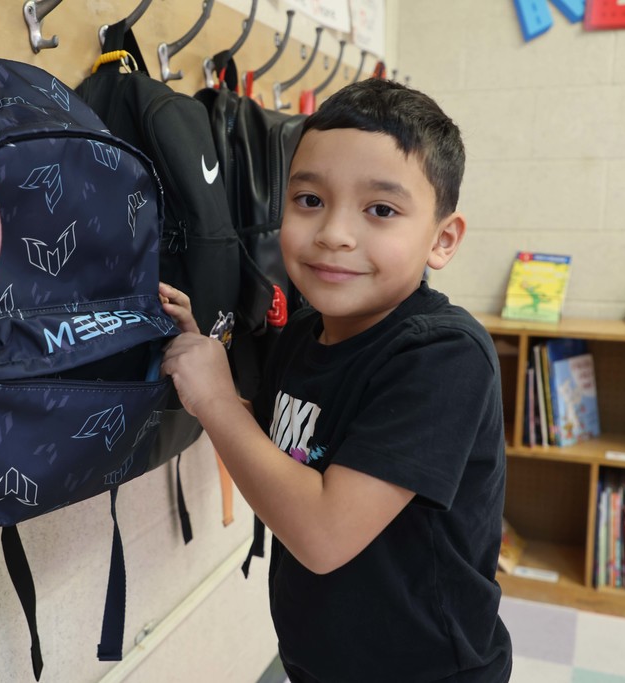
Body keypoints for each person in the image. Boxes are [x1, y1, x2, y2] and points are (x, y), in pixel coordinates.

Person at [160, 78, 512, 682]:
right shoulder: (303, 333)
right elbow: (274, 446)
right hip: (322, 658)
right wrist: (203, 359)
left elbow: (323, 533)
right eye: (310, 200)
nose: (334, 234)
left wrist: (215, 398)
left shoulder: (443, 356)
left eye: (381, 210)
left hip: (428, 671)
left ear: (442, 239)